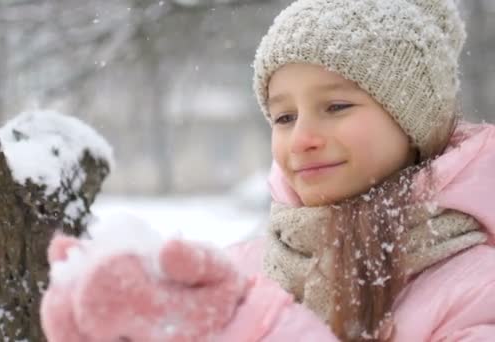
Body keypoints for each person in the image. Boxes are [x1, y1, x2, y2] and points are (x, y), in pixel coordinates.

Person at [40, 0, 495, 340]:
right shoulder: (243, 269)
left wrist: (259, 325)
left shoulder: (478, 289)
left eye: (336, 106)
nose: (302, 138)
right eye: (284, 117)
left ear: (415, 121)